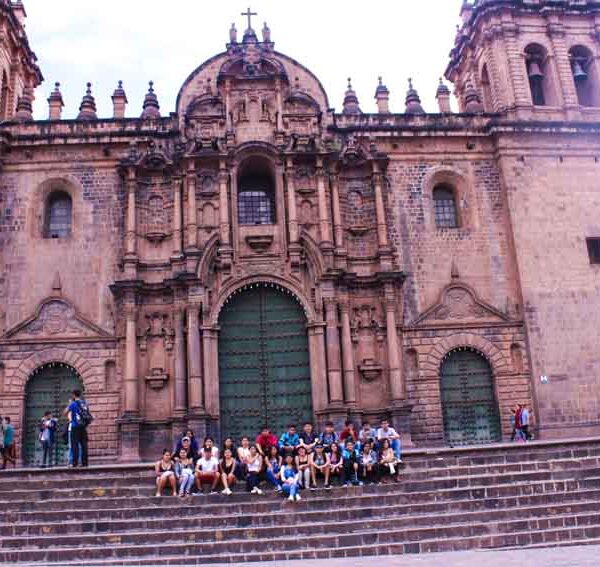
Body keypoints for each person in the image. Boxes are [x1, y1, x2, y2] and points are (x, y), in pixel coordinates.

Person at [67, 389, 90, 468]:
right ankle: (85, 463)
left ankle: (75, 463)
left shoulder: (73, 404)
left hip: (75, 426)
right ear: (80, 394)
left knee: (75, 445)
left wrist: (69, 405)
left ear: (73, 395)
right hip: (83, 426)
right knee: (84, 444)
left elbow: (65, 412)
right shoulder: (85, 403)